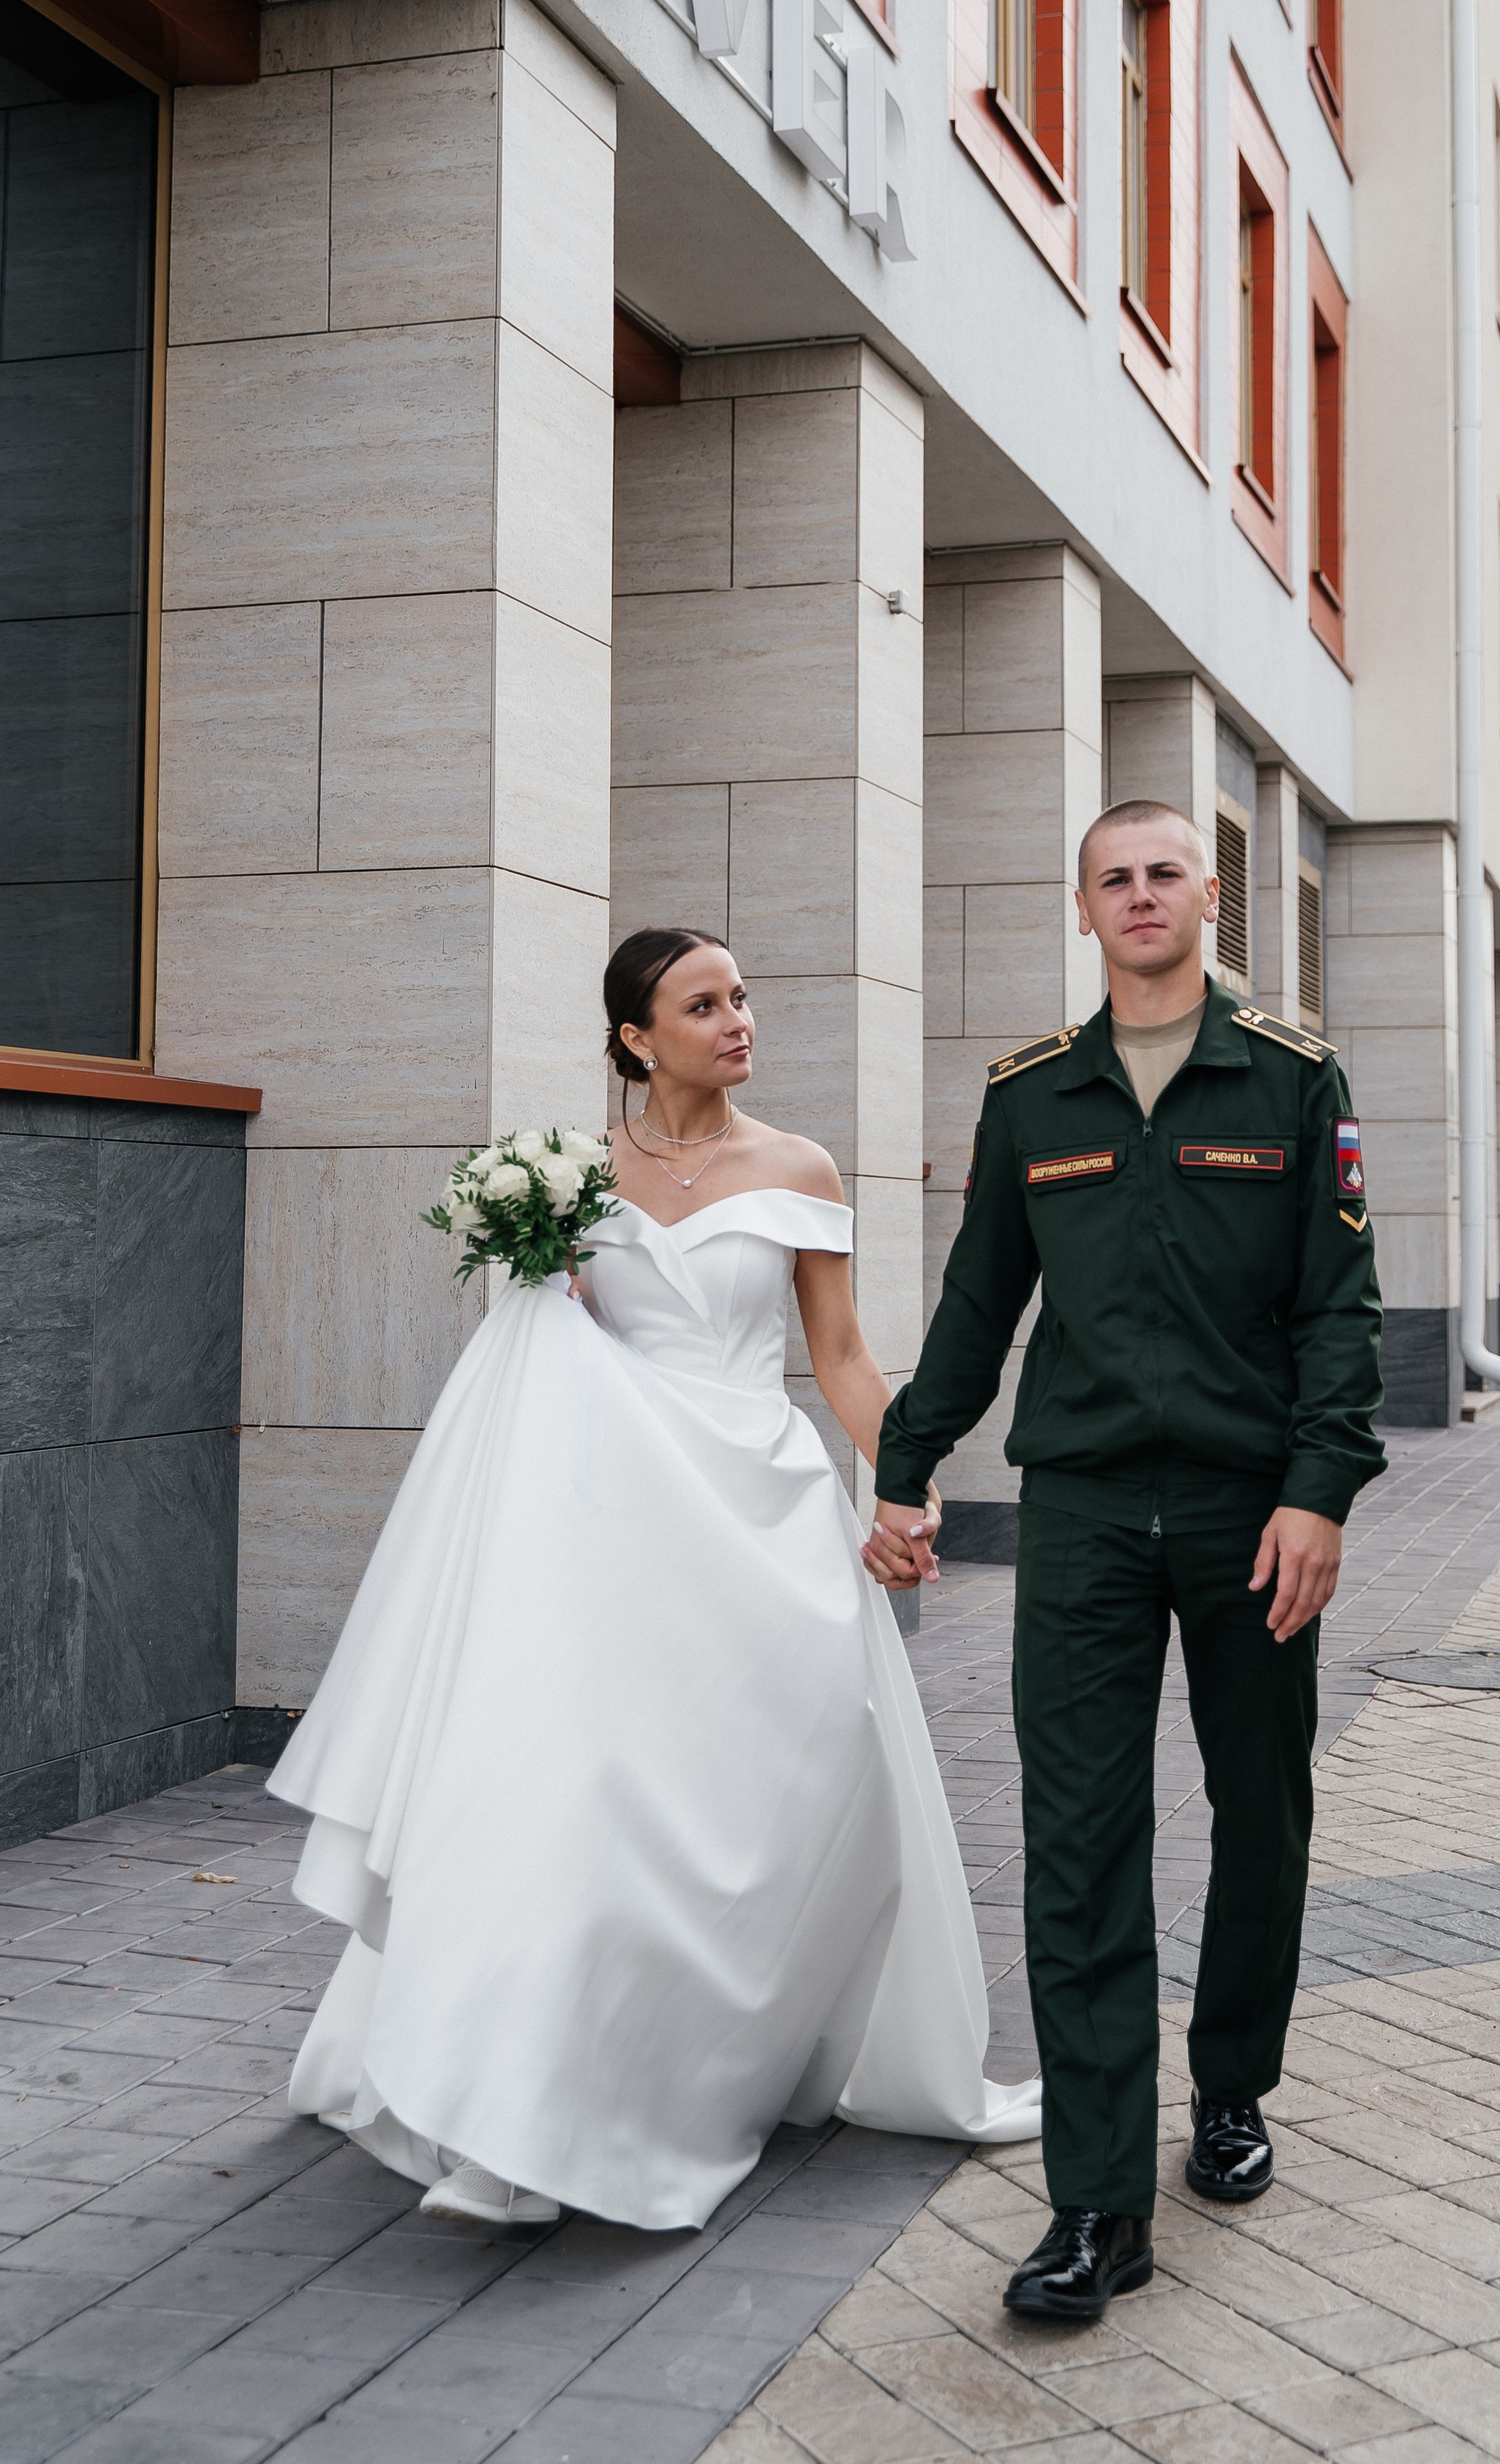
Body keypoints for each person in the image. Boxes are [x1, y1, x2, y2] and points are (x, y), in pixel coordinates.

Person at [268, 928, 1039, 2232]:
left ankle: (715, 2061)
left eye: (742, 997)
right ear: (636, 1035)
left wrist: (902, 1478)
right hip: (611, 1534)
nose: (738, 1019)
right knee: (580, 1803)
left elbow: (843, 1355)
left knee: (757, 1813)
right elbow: (542, 1354)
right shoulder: (568, 1178)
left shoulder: (797, 1165)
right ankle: (519, 2114)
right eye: (703, 1003)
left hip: (762, 1521)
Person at [865, 800, 1385, 2321]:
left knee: (1260, 1804)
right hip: (1083, 1511)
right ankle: (1095, 2200)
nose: (1142, 894)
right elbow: (977, 1300)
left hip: (1248, 1513)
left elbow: (1336, 1305)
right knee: (1078, 1837)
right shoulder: (1033, 1098)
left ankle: (1229, 2083)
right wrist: (904, 1461)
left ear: (1207, 898)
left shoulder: (1290, 1076)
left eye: (1165, 872)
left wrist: (1320, 1489)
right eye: (1115, 877)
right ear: (1082, 906)